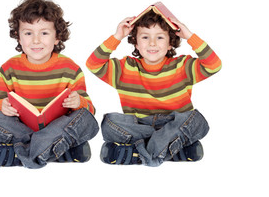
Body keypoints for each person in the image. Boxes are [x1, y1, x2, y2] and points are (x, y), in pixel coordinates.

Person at [86, 10, 222, 167]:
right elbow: (93, 64)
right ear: (136, 43)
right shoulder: (125, 68)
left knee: (196, 121)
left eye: (160, 37)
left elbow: (214, 65)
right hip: (139, 126)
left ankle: (139, 153)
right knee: (109, 123)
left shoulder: (182, 66)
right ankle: (172, 148)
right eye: (145, 37)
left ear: (171, 42)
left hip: (174, 122)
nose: (152, 43)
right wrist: (117, 37)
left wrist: (190, 36)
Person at [0, 0, 99, 168]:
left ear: (57, 37)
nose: (36, 40)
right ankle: (55, 149)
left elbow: (90, 110)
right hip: (21, 129)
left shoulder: (70, 69)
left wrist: (79, 102)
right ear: (18, 37)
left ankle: (20, 152)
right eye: (28, 33)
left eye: (44, 33)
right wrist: (2, 106)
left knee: (86, 120)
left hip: (57, 127)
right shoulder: (9, 68)